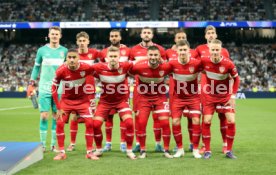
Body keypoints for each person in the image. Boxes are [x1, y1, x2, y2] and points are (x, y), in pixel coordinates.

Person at [51, 49, 98, 160]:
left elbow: (98, 75)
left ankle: (89, 152)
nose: (72, 60)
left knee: (90, 123)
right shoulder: (60, 71)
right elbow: (53, 88)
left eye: (74, 57)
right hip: (66, 101)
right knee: (60, 123)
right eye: (69, 57)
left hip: (82, 101)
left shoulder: (86, 67)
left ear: (78, 58)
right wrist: (58, 108)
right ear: (66, 59)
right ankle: (62, 152)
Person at [92, 47, 136, 160]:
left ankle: (129, 150)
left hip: (121, 102)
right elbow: (84, 70)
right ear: (106, 58)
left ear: (119, 57)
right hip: (105, 102)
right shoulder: (98, 67)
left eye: (115, 56)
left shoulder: (125, 66)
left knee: (130, 123)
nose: (113, 59)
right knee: (96, 125)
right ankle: (98, 149)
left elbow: (140, 66)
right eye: (110, 56)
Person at [28, 26, 68, 152]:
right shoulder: (41, 50)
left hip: (60, 88)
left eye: (57, 34)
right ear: (49, 35)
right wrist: (31, 83)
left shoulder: (65, 51)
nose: (55, 36)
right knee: (44, 116)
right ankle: (42, 145)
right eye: (53, 34)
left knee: (56, 116)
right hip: (44, 87)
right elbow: (36, 68)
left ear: (60, 36)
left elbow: (68, 69)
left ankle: (52, 145)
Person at [129, 46, 173, 159]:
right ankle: (143, 150)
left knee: (165, 123)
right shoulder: (139, 66)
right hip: (144, 98)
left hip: (160, 98)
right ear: (147, 55)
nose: (153, 57)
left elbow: (176, 70)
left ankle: (166, 150)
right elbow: (128, 71)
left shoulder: (166, 66)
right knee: (141, 123)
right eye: (151, 55)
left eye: (155, 55)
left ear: (159, 56)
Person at [200, 39, 240, 159]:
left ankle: (229, 150)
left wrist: (233, 95)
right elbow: (193, 68)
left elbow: (237, 79)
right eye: (213, 50)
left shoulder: (228, 64)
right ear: (210, 50)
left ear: (221, 50)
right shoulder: (204, 61)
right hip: (210, 96)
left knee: (231, 121)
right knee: (206, 121)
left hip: (225, 96)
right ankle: (207, 151)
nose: (215, 52)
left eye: (217, 50)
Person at [130, 27, 166, 152]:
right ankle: (138, 143)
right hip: (140, 88)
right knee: (138, 116)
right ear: (141, 35)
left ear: (152, 35)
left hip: (157, 88)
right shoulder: (133, 50)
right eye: (144, 32)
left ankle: (158, 144)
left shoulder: (160, 49)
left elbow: (165, 67)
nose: (146, 34)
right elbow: (130, 69)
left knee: (158, 117)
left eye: (148, 32)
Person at [195, 25, 230, 154]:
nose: (210, 34)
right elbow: (194, 64)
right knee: (206, 118)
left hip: (221, 89)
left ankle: (225, 144)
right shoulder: (199, 49)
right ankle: (205, 146)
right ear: (205, 36)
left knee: (223, 117)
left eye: (213, 32)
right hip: (206, 89)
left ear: (216, 35)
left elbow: (228, 70)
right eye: (208, 33)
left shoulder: (224, 51)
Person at [168, 40, 202, 158]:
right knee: (175, 121)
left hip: (194, 98)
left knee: (196, 121)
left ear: (189, 51)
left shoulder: (197, 63)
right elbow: (159, 71)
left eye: (184, 50)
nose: (182, 52)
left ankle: (196, 150)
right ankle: (180, 149)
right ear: (176, 51)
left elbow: (209, 70)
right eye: (180, 50)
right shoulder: (171, 64)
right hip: (178, 98)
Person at [66, 31, 99, 152]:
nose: (82, 43)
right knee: (74, 117)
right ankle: (72, 143)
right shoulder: (72, 55)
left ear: (88, 42)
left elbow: (107, 56)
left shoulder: (94, 53)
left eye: (84, 41)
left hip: (89, 90)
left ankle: (94, 144)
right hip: (75, 90)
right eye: (79, 41)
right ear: (77, 42)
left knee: (90, 118)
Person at [98, 29, 130, 152]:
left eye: (116, 36)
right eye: (112, 36)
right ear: (109, 38)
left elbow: (131, 67)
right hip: (108, 90)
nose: (114, 38)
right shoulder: (104, 52)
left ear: (120, 37)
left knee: (123, 117)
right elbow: (101, 68)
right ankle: (108, 143)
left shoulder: (128, 51)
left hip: (123, 89)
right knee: (108, 117)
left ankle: (122, 143)